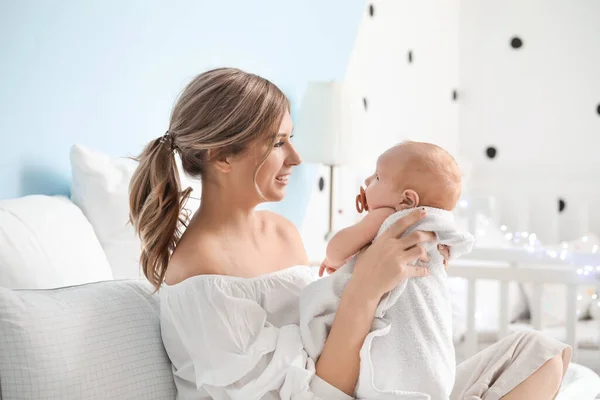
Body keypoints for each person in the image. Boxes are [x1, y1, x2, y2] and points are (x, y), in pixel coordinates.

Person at [129, 67, 571, 400]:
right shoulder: (199, 274)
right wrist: (366, 287)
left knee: (542, 354)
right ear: (222, 155)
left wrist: (412, 268)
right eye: (278, 142)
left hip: (368, 383)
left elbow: (329, 317)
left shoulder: (282, 233)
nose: (297, 157)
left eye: (290, 138)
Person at [300, 141, 474, 399]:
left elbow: (335, 252)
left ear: (406, 200)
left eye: (378, 177)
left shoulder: (389, 217)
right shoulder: (439, 229)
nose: (368, 181)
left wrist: (337, 255)